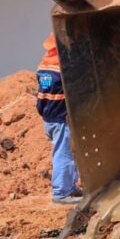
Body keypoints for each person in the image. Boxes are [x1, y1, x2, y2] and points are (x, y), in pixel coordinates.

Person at [36, 34, 81, 204]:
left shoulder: (44, 66)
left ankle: (71, 186)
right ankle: (61, 193)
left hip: (48, 118)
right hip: (60, 120)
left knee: (67, 152)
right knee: (64, 155)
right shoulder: (62, 70)